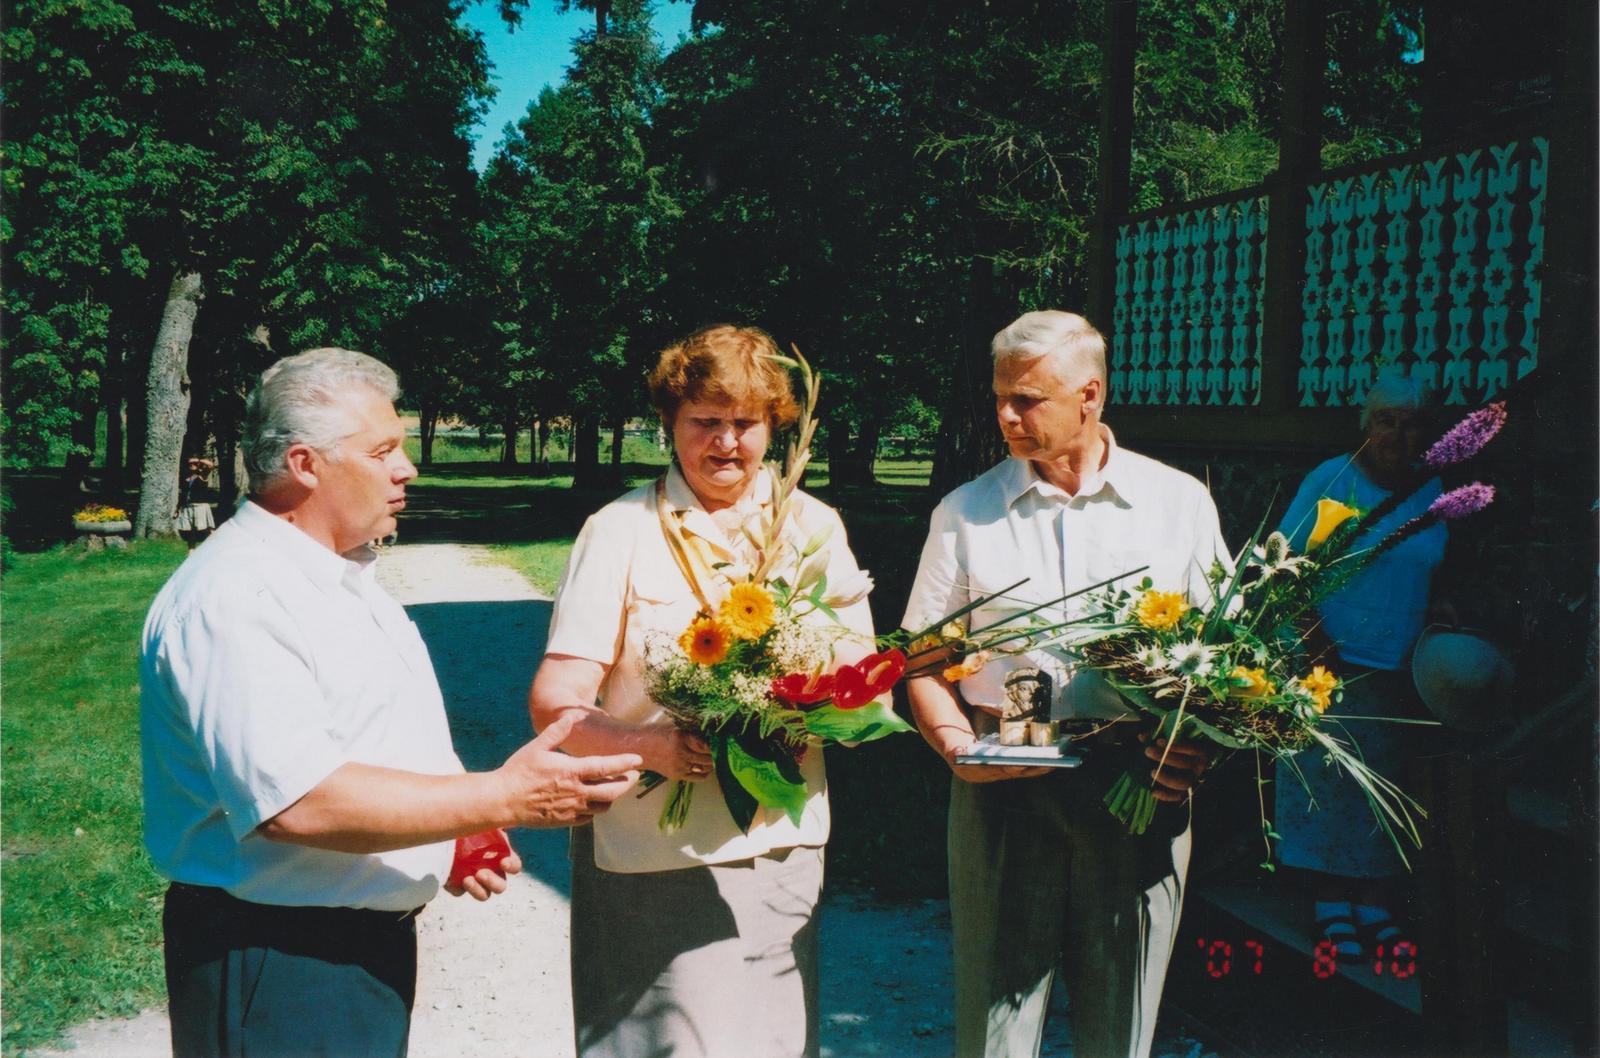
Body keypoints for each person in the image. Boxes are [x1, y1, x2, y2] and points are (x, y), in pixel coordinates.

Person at [140, 347, 643, 1058]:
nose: (406, 467)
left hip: (341, 953)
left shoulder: (331, 578)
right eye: (384, 450)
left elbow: (363, 740)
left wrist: (449, 827)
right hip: (279, 959)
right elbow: (299, 803)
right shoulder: (237, 598)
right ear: (307, 465)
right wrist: (500, 797)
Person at [528, 324, 878, 1058]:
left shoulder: (813, 528)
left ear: (775, 428)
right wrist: (646, 744)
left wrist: (805, 707)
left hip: (778, 840)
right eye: (705, 422)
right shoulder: (619, 527)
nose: (726, 443)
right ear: (670, 427)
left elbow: (862, 685)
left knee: (774, 1043)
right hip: (650, 851)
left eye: (745, 423)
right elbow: (556, 702)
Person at [902, 310, 1224, 1058]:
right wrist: (955, 745)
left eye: (1028, 400)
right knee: (994, 1018)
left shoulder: (1177, 505)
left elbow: (1224, 658)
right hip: (1002, 786)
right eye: (1000, 399)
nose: (1006, 417)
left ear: (1091, 395)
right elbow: (918, 663)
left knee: (1124, 1017)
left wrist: (1197, 748)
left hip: (1138, 781)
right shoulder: (966, 512)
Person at [1273, 374, 1448, 961]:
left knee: (1386, 783)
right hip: (1326, 659)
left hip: (1401, 661)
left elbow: (1434, 571)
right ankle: (1330, 901)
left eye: (1413, 422)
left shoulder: (1433, 490)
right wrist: (1316, 644)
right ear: (1365, 426)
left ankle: (1374, 902)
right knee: (1327, 779)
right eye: (1386, 420)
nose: (1399, 433)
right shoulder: (1332, 479)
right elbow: (1284, 568)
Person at [175, 457, 218, 549]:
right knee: (191, 531)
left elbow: (211, 465)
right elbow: (183, 494)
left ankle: (217, 547)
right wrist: (178, 509)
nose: (191, 465)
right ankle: (191, 552)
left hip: (201, 507)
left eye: (194, 463)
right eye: (190, 463)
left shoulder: (203, 475)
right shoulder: (187, 478)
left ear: (198, 464)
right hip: (189, 507)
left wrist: (199, 460)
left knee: (208, 529)